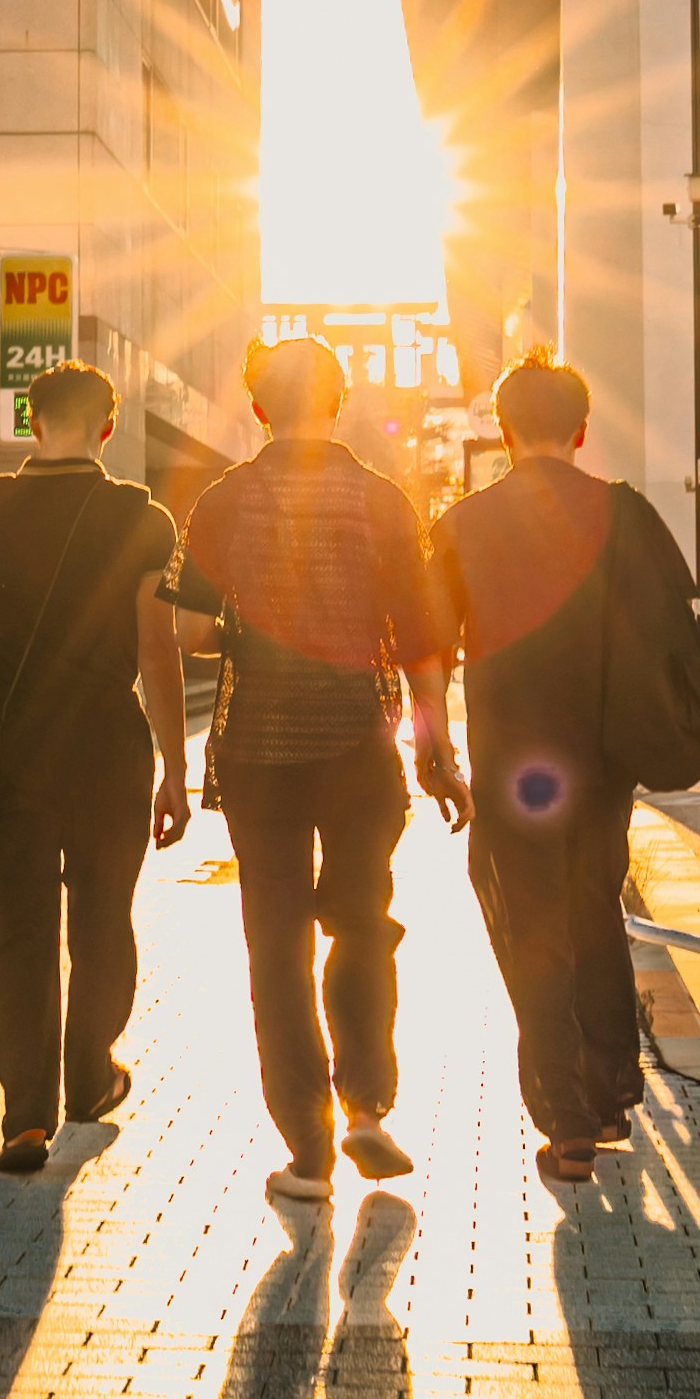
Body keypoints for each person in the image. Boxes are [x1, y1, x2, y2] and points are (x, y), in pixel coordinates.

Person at [167, 331, 467, 1211]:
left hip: (257, 750)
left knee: (276, 946)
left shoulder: (223, 501)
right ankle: (366, 1101)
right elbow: (421, 638)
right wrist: (436, 746)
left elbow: (188, 633)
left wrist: (244, 632)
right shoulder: (380, 499)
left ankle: (307, 1149)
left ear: (258, 407)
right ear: (336, 400)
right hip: (358, 744)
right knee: (361, 915)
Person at [0, 363, 184, 1176]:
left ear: (32, 423)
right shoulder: (138, 515)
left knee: (17, 929)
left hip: (14, 747)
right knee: (104, 921)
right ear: (106, 427)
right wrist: (174, 765)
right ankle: (91, 1075)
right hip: (107, 745)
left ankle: (24, 1120)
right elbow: (154, 646)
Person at [435, 350, 697, 1183]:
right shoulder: (625, 513)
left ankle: (567, 1116)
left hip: (512, 763)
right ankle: (610, 1089)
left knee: (531, 926)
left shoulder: (464, 523)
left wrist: (428, 742)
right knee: (595, 911)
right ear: (581, 430)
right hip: (603, 754)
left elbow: (429, 647)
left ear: (502, 428)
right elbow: (671, 627)